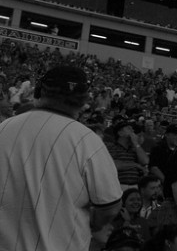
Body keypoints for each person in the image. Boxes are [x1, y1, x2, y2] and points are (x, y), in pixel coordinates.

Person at [0, 64, 123, 251]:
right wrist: (94, 223)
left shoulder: (4, 128)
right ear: (84, 100)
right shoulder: (89, 141)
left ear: (40, 91)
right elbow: (110, 207)